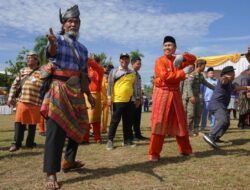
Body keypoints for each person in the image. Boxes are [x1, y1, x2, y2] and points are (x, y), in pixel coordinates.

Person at [41, 5, 95, 189]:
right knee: (55, 131)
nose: (73, 24)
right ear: (63, 24)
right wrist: (53, 43)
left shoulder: (83, 49)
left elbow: (83, 74)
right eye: (70, 21)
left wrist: (88, 94)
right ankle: (50, 173)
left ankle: (69, 161)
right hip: (59, 89)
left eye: (76, 21)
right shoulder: (57, 40)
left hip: (77, 91)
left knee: (80, 125)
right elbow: (51, 51)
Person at [149, 36, 196, 161]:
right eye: (165, 45)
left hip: (175, 94)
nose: (167, 47)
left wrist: (184, 56)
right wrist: (182, 73)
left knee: (181, 123)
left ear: (174, 48)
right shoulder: (159, 60)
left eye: (170, 45)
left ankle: (185, 150)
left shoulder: (178, 60)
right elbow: (165, 76)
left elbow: (194, 60)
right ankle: (154, 153)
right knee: (159, 124)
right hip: (162, 94)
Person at [203, 66, 250, 148]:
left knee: (227, 123)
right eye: (233, 73)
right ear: (228, 74)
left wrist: (246, 87)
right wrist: (225, 77)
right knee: (223, 120)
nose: (234, 75)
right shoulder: (224, 81)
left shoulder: (230, 84)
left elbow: (236, 88)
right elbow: (223, 80)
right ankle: (210, 135)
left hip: (221, 105)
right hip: (217, 104)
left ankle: (216, 137)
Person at [8, 51, 42, 152]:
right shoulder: (22, 71)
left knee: (32, 124)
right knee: (19, 122)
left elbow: (45, 86)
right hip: (22, 101)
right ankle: (16, 144)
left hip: (36, 102)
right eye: (27, 58)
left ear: (36, 60)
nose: (28, 60)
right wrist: (10, 98)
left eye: (31, 58)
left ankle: (30, 143)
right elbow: (15, 84)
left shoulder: (42, 72)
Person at [106, 53, 139, 150]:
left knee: (128, 122)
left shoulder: (132, 72)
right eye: (122, 59)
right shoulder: (114, 71)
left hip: (130, 101)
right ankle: (110, 141)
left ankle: (127, 140)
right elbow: (110, 85)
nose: (124, 61)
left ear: (129, 61)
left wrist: (137, 98)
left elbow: (135, 86)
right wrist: (109, 97)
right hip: (117, 100)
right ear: (119, 60)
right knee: (114, 121)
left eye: (126, 59)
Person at [182, 59, 215, 136]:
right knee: (190, 115)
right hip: (191, 97)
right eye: (204, 66)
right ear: (200, 66)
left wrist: (216, 88)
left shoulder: (200, 75)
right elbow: (188, 85)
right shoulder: (192, 74)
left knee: (198, 114)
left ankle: (196, 130)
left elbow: (206, 83)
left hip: (197, 97)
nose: (205, 68)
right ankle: (189, 131)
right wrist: (191, 96)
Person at [83, 56, 104, 143]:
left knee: (95, 118)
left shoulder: (100, 69)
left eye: (96, 61)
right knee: (86, 118)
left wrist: (86, 57)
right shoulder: (86, 70)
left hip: (95, 94)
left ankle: (97, 137)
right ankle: (85, 138)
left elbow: (94, 65)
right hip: (86, 94)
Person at [131, 56, 148, 141]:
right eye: (138, 64)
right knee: (131, 118)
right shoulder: (129, 74)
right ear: (132, 64)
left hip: (138, 99)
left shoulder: (138, 75)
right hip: (132, 100)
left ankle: (138, 134)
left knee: (138, 118)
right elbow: (130, 88)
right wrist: (136, 99)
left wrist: (140, 98)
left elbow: (139, 87)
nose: (139, 65)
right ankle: (131, 136)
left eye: (140, 64)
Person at [101, 64, 114, 134]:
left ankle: (104, 129)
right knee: (96, 116)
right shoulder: (100, 77)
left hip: (107, 100)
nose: (106, 74)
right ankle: (92, 130)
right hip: (100, 99)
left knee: (106, 116)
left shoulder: (111, 79)